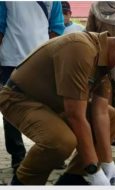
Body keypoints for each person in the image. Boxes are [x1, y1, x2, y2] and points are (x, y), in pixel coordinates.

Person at [0, 30, 115, 185]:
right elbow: (75, 116)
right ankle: (22, 183)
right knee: (61, 141)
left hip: (54, 104)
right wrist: (93, 169)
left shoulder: (106, 61)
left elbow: (101, 113)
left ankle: (72, 181)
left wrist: (107, 163)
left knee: (111, 116)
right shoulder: (81, 49)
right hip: (20, 97)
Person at [0, 1, 64, 173]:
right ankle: (18, 156)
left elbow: (57, 30)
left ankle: (51, 152)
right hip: (11, 60)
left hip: (40, 60)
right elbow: (0, 26)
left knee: (50, 106)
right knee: (10, 109)